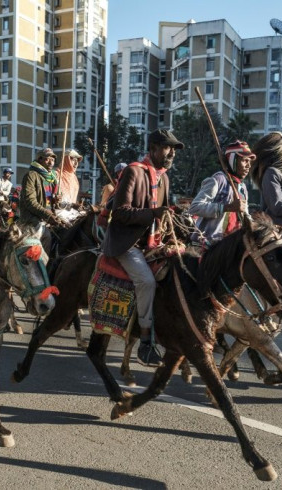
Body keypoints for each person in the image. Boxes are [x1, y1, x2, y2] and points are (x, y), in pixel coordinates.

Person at [102, 128, 182, 367]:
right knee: (146, 281)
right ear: (154, 148)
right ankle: (145, 340)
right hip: (128, 243)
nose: (171, 154)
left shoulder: (164, 177)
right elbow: (120, 213)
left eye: (174, 149)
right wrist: (154, 213)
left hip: (154, 242)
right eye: (167, 148)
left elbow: (165, 213)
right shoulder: (133, 171)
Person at [189, 140, 254, 245]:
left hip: (229, 246)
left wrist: (257, 227)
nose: (248, 166)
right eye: (245, 161)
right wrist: (226, 207)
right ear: (233, 160)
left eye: (250, 162)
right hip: (207, 245)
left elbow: (245, 214)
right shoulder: (217, 180)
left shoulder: (242, 188)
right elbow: (195, 207)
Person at [17, 147, 68, 247]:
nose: (51, 162)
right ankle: (42, 262)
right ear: (39, 159)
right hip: (33, 220)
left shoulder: (53, 177)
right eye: (47, 159)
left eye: (53, 160)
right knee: (46, 236)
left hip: (50, 217)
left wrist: (56, 200)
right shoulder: (31, 176)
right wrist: (48, 216)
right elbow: (30, 202)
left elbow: (54, 203)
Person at [56, 149, 83, 222]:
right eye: (74, 160)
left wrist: (77, 205)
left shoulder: (74, 178)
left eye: (78, 161)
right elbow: (49, 199)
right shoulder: (56, 175)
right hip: (58, 211)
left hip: (73, 212)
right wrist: (70, 205)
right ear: (66, 160)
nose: (76, 163)